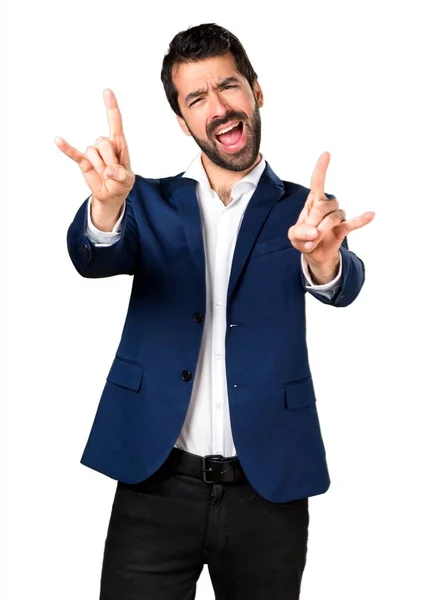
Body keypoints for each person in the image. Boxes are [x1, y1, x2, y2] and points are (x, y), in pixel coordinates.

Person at [56, 22, 374, 600]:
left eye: (228, 87)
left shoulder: (304, 210)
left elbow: (343, 283)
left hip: (267, 491)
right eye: (197, 98)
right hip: (154, 483)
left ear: (255, 90)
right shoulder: (144, 201)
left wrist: (326, 262)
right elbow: (93, 257)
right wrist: (105, 206)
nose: (219, 108)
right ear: (182, 121)